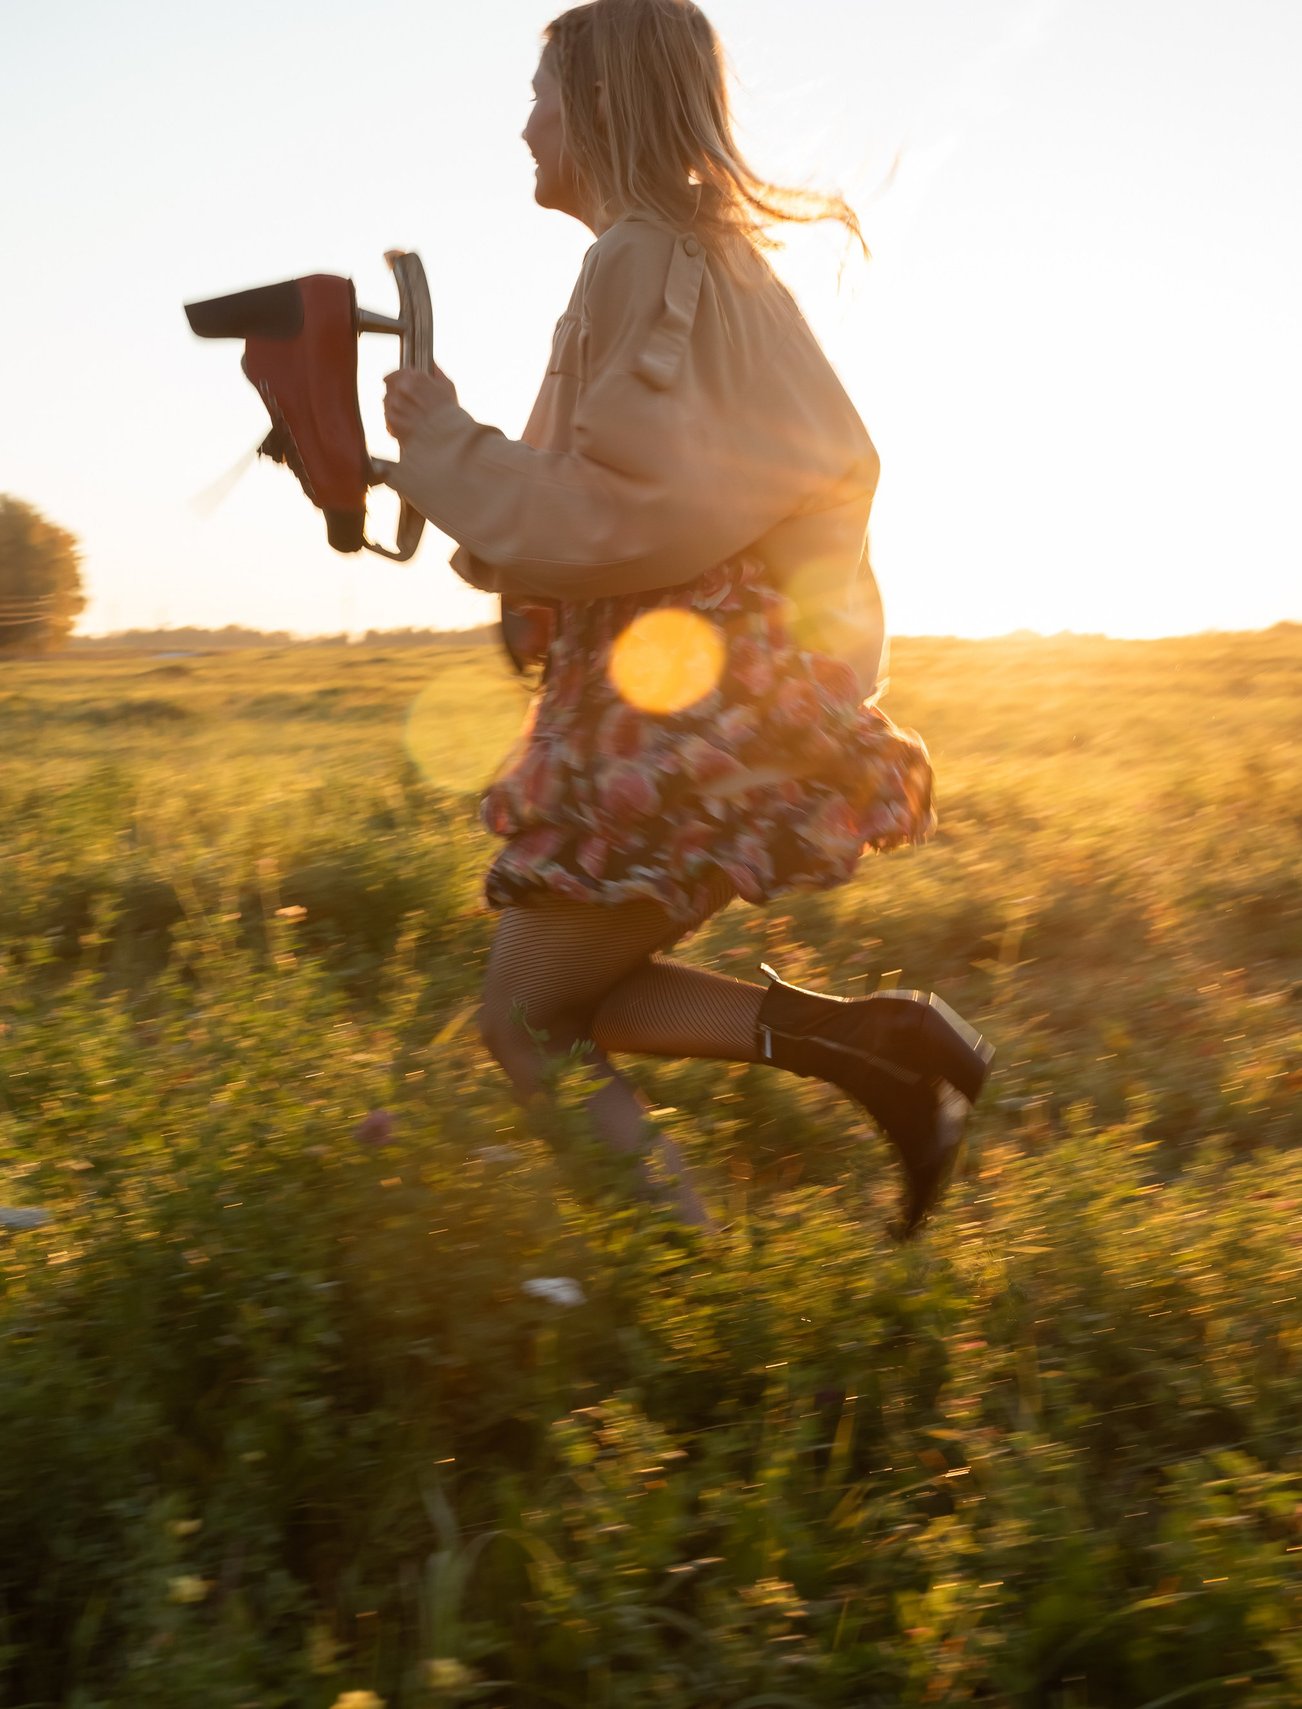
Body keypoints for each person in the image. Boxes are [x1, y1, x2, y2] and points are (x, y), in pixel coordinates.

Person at [383, 0, 989, 1235]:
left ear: (598, 108)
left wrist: (438, 449)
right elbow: (633, 490)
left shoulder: (641, 255)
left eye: (542, 96)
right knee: (580, 998)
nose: (523, 125)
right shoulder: (694, 257)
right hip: (717, 688)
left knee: (523, 1018)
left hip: (673, 707)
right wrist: (452, 472)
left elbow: (624, 506)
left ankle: (687, 1287)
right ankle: (876, 1047)